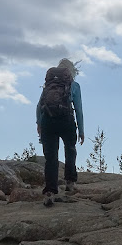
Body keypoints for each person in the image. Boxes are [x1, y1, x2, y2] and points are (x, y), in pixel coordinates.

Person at [36, 58, 85, 207]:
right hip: (66, 121)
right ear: (71, 72)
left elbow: (39, 106)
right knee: (70, 150)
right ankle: (70, 182)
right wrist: (81, 130)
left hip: (47, 121)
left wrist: (39, 124)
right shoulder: (74, 85)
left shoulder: (49, 85)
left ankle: (50, 192)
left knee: (51, 158)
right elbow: (78, 109)